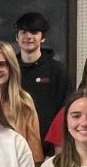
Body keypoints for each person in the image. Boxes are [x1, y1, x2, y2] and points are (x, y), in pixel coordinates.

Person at [14, 12, 70, 142]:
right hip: (14, 142)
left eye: (34, 32)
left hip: (48, 145)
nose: (28, 37)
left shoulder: (57, 70)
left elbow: (65, 110)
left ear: (43, 37)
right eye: (23, 32)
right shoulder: (10, 69)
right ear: (16, 37)